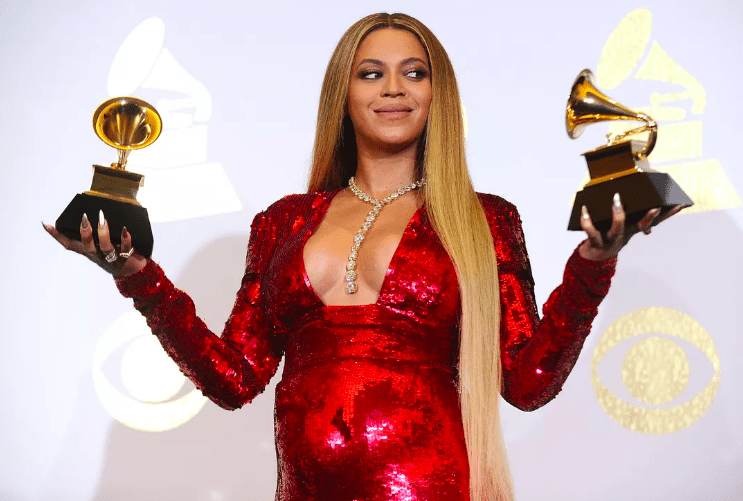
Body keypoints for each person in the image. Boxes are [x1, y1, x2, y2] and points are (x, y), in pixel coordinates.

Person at [43, 12, 680, 501]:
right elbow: (234, 380)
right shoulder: (284, 222)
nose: (394, 89)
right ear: (343, 93)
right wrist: (138, 277)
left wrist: (593, 264)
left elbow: (528, 382)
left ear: (438, 94)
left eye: (415, 71)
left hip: (431, 488)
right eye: (371, 72)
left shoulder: (484, 218)